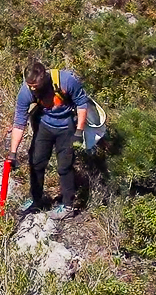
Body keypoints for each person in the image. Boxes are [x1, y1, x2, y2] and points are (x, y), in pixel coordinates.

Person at [7, 60, 93, 221]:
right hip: (44, 126)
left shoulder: (66, 80)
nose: (32, 88)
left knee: (64, 167)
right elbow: (19, 122)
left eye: (35, 85)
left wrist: (79, 132)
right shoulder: (26, 92)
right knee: (36, 162)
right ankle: (36, 200)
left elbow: (82, 104)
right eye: (29, 85)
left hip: (66, 127)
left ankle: (68, 206)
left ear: (44, 77)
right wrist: (13, 152)